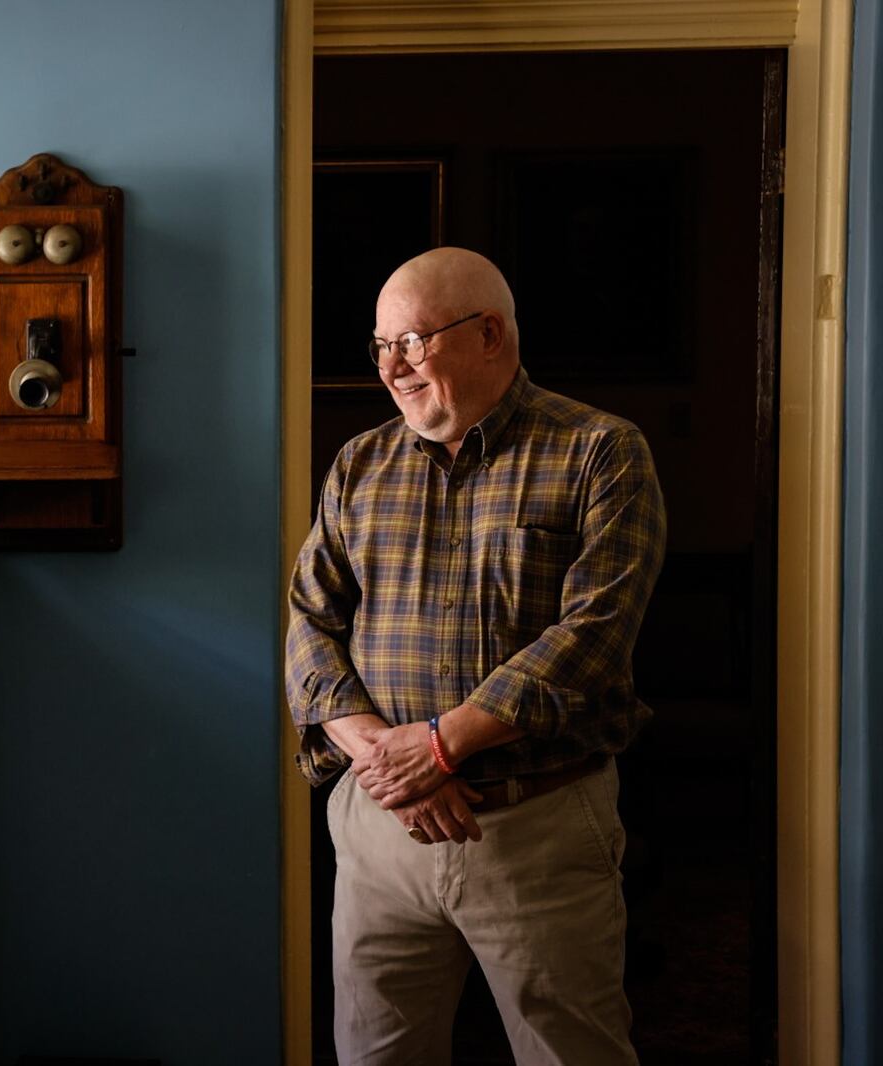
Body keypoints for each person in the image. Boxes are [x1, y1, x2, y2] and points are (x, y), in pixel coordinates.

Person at [286, 247, 666, 1065]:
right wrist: (393, 765)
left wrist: (438, 746)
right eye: (381, 346)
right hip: (381, 829)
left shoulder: (601, 451)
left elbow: (593, 636)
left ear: (488, 333)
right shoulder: (360, 463)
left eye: (413, 342)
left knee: (574, 1055)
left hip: (538, 828)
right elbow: (310, 628)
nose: (391, 367)